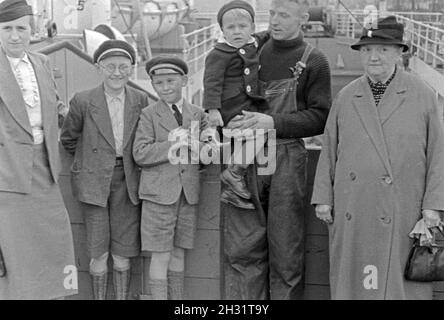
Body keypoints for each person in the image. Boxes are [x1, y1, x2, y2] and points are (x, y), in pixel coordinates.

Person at [311, 16, 444, 300]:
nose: (374, 57)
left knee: (398, 285)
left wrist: (433, 205)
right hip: (354, 205)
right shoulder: (347, 95)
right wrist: (323, 197)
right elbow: (330, 148)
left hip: (403, 206)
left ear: (399, 53)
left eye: (383, 50)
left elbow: (438, 154)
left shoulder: (424, 95)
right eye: (368, 50)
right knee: (354, 282)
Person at [223, 0, 332, 299]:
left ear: (303, 18)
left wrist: (272, 121)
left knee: (286, 253)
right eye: (272, 13)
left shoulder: (315, 61)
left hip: (286, 158)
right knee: (242, 250)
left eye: (283, 14)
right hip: (244, 158)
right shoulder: (250, 50)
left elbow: (321, 117)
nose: (275, 20)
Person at [61, 40, 149, 300]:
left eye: (124, 66)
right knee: (98, 250)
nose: (117, 72)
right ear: (98, 68)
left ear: (132, 68)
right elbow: (69, 139)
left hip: (128, 181)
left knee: (123, 251)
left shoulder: (140, 99)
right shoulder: (83, 101)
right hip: (93, 183)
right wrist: (88, 164)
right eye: (110, 66)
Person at [0, 0, 77, 299]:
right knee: (13, 252)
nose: (15, 36)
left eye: (21, 28)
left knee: (54, 243)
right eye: (7, 29)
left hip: (45, 168)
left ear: (32, 31)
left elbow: (56, 108)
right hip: (5, 172)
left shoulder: (41, 63)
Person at [133, 55, 208, 300]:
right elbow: (140, 153)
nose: (165, 88)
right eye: (159, 83)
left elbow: (209, 152)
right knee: (161, 255)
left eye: (170, 81)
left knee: (178, 252)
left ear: (184, 80)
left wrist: (204, 145)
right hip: (158, 196)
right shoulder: (148, 114)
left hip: (187, 195)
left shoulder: (197, 114)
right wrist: (172, 144)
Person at [203, 0, 269, 210]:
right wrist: (213, 110)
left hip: (249, 103)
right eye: (230, 28)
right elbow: (211, 83)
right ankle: (234, 172)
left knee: (257, 132)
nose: (237, 32)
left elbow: (265, 35)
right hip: (231, 106)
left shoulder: (254, 43)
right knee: (258, 133)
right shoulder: (218, 54)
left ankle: (232, 190)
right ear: (222, 30)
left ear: (252, 28)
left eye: (243, 27)